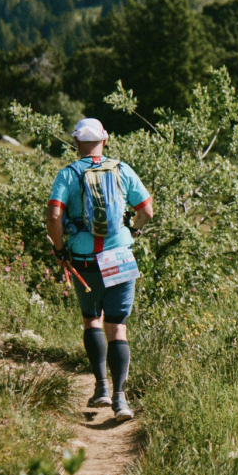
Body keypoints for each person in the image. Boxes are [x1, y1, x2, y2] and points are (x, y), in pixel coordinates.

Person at [46, 118, 153, 422]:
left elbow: (54, 216)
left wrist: (59, 248)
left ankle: (101, 388)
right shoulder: (122, 169)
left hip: (84, 261)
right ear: (105, 140)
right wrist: (133, 231)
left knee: (91, 320)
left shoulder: (68, 174)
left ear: (76, 143)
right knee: (117, 326)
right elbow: (146, 211)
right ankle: (120, 399)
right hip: (119, 256)